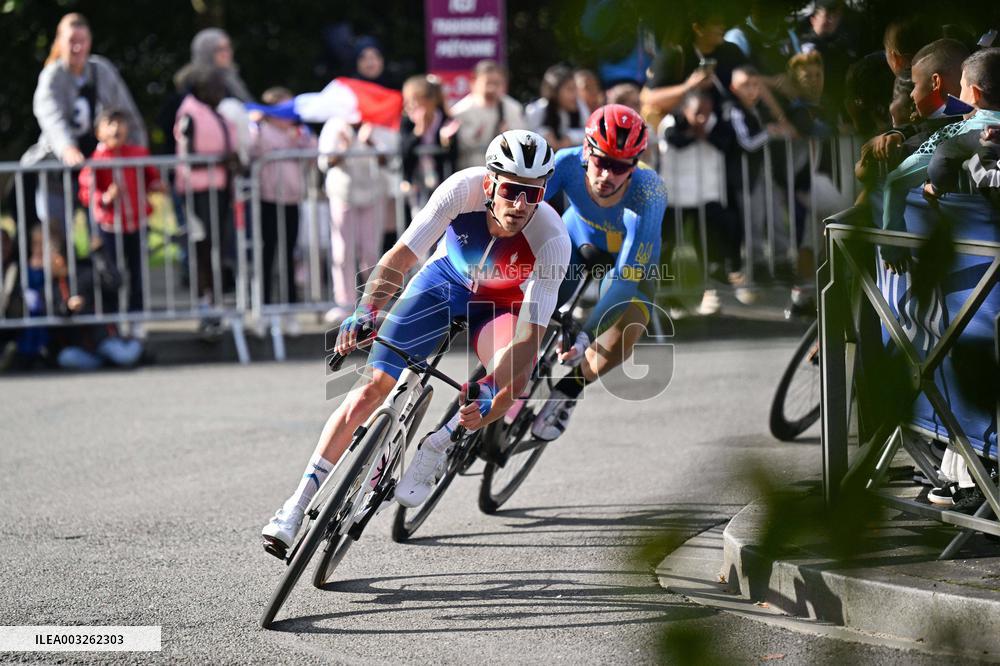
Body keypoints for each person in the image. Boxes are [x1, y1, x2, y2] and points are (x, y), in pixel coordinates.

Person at [262, 130, 569, 553]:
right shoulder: (461, 190)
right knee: (370, 388)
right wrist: (366, 311)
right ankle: (294, 508)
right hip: (443, 284)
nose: (520, 204)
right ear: (490, 184)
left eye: (532, 194)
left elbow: (530, 335)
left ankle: (440, 443)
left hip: (502, 307)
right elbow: (404, 255)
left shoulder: (552, 239)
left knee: (511, 386)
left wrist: (492, 386)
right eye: (512, 190)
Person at [529, 105, 667, 442]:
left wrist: (587, 334)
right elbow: (526, 220)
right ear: (586, 151)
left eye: (620, 167)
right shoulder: (564, 163)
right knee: (531, 298)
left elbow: (624, 279)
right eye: (602, 162)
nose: (607, 175)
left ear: (635, 165)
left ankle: (568, 390)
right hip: (576, 241)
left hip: (628, 260)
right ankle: (515, 365)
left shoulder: (649, 192)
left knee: (623, 335)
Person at [21, 13, 146, 226]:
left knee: (103, 235)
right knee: (56, 235)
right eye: (71, 41)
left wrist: (140, 154)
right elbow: (51, 117)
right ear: (59, 42)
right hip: (58, 173)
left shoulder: (102, 70)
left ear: (89, 41)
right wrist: (67, 147)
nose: (77, 48)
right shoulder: (52, 76)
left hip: (99, 174)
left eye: (82, 41)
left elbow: (127, 113)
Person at [882, 48, 1000, 273]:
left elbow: (894, 183)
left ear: (974, 94)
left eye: (962, 88)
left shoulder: (952, 136)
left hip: (977, 277)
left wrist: (891, 248)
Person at [78, 109, 164, 323]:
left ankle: (137, 319)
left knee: (137, 273)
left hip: (136, 223)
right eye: (110, 123)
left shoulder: (138, 154)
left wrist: (157, 185)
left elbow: (151, 178)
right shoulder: (95, 161)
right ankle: (113, 320)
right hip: (109, 226)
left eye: (120, 123)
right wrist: (106, 197)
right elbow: (86, 192)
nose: (116, 128)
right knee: (111, 276)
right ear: (98, 132)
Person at [173, 65, 240, 333]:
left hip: (220, 188)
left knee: (218, 247)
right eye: (216, 86)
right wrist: (222, 161)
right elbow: (188, 158)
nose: (222, 92)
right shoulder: (189, 114)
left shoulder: (215, 112)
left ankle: (215, 301)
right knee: (204, 247)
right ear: (201, 89)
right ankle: (205, 303)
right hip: (199, 191)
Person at [249, 87, 317, 325]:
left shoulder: (298, 132)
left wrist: (303, 137)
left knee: (289, 253)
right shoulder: (261, 130)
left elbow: (314, 153)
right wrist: (255, 127)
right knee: (266, 252)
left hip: (292, 199)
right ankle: (264, 305)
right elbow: (251, 150)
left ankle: (290, 308)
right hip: (267, 199)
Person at [317, 113, 390, 325]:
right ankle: (344, 302)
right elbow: (325, 162)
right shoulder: (334, 124)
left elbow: (389, 159)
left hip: (373, 193)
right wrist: (342, 147)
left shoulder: (377, 124)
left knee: (370, 250)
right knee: (343, 250)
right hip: (343, 193)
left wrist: (371, 142)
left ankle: (373, 304)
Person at [448, 60, 528, 170]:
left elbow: (522, 139)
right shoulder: (460, 111)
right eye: (488, 83)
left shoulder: (513, 108)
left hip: (504, 170)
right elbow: (456, 146)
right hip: (470, 168)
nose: (492, 88)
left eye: (497, 83)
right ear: (474, 82)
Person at [399, 75, 457, 213]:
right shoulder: (408, 120)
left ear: (430, 101)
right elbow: (403, 150)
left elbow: (453, 151)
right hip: (416, 179)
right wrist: (418, 131)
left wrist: (446, 142)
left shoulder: (444, 119)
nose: (409, 106)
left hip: (440, 178)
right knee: (418, 215)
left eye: (414, 101)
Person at [526, 65, 589, 151]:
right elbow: (526, 136)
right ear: (555, 92)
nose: (575, 94)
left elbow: (589, 132)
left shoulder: (581, 107)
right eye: (569, 89)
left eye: (575, 88)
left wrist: (571, 138)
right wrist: (544, 135)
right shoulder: (536, 110)